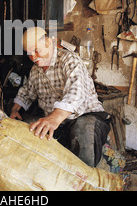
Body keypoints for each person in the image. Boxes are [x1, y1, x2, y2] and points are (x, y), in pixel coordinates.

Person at [10, 27, 111, 167]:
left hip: (86, 115)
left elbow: (76, 92)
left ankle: (84, 181)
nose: (33, 57)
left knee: (82, 129)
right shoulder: (36, 70)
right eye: (29, 53)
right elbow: (27, 91)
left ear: (48, 43)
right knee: (28, 128)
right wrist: (15, 109)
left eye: (37, 50)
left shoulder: (69, 60)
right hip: (59, 122)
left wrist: (54, 118)